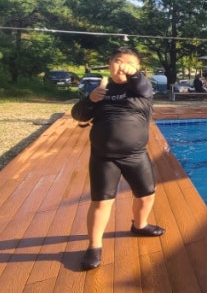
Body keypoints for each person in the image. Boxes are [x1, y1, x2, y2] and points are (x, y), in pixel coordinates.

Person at [71, 47, 165, 270]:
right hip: (104, 158)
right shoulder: (101, 91)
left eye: (129, 63)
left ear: (138, 69)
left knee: (147, 196)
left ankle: (140, 225)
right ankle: (94, 246)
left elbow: (142, 85)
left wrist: (133, 73)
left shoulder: (141, 89)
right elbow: (79, 115)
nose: (122, 66)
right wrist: (90, 99)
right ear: (109, 64)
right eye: (117, 61)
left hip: (135, 156)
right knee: (101, 203)